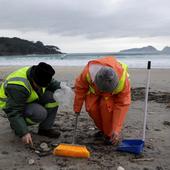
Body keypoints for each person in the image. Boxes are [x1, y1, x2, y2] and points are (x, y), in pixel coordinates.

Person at [0, 62, 62, 146]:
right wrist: (24, 132)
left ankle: (44, 129)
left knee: (54, 97)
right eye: (40, 85)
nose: (42, 87)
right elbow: (13, 111)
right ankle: (16, 125)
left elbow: (52, 83)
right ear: (33, 79)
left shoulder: (40, 73)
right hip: (11, 104)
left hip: (28, 99)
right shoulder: (18, 86)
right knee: (40, 113)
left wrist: (64, 89)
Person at [73, 56, 131, 145]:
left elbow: (122, 104)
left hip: (111, 96)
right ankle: (104, 130)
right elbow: (80, 89)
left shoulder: (124, 81)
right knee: (92, 109)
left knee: (106, 109)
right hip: (94, 93)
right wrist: (77, 108)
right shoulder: (87, 73)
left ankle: (109, 134)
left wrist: (116, 130)